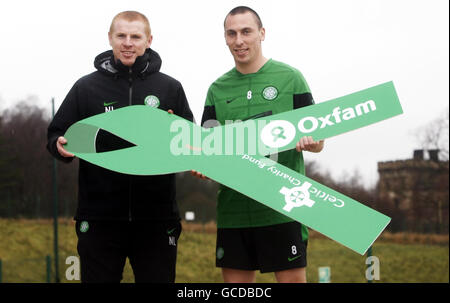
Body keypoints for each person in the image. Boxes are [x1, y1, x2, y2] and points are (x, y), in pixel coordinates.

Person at [47, 11, 193, 283]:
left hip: (157, 220)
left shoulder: (170, 88)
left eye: (135, 36)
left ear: (148, 40)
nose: (128, 43)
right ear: (110, 39)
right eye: (121, 36)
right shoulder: (86, 88)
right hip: (100, 219)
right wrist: (58, 145)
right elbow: (57, 133)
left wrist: (177, 135)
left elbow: (190, 143)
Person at [194, 6, 324, 283]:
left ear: (261, 34)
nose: (239, 40)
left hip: (283, 208)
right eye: (232, 33)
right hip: (234, 213)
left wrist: (312, 142)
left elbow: (320, 139)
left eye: (246, 32)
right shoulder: (217, 89)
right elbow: (208, 149)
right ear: (225, 38)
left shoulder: (291, 78)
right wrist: (201, 163)